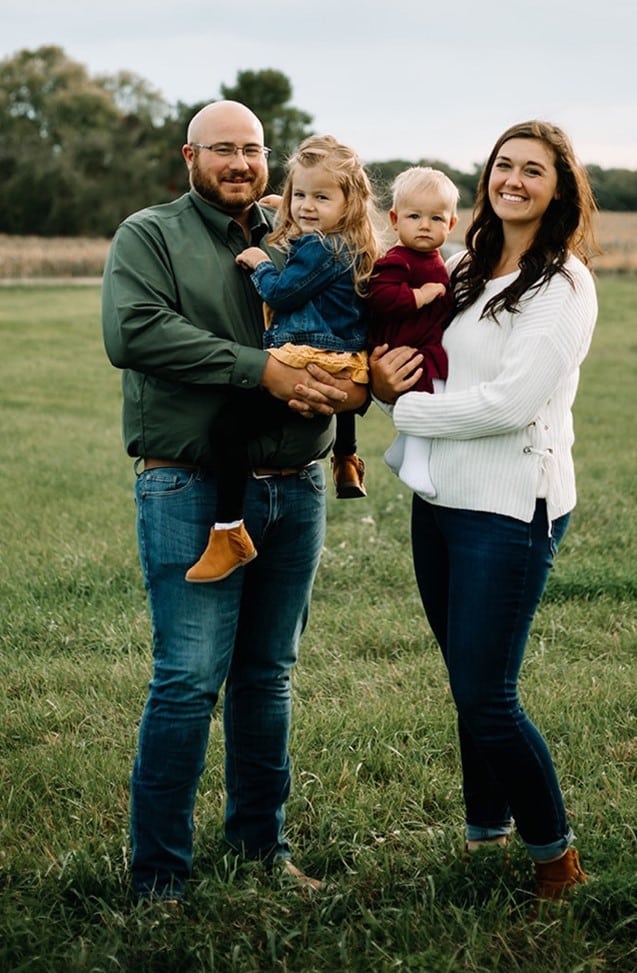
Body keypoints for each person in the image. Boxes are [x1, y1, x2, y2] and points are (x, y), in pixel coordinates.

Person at [101, 100, 366, 904]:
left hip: (297, 483)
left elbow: (350, 301)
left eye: (253, 150)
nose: (241, 164)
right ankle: (159, 876)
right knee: (186, 679)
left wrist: (342, 384)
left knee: (269, 676)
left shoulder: (297, 231)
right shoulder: (150, 235)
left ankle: (261, 848)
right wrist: (264, 372)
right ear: (190, 156)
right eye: (223, 150)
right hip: (189, 483)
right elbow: (134, 332)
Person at [369, 120, 599, 905]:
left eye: (533, 170)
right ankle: (483, 831)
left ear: (559, 190)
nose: (514, 179)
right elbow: (408, 339)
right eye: (503, 164)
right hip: (440, 500)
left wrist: (402, 411)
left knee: (486, 692)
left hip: (509, 506)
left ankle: (555, 856)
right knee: (466, 681)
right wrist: (377, 371)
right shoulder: (466, 266)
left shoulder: (561, 283)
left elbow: (511, 402)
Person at [186, 134, 382, 583]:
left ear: (348, 204)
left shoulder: (319, 248)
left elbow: (282, 290)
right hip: (345, 357)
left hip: (308, 355)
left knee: (227, 427)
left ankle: (228, 532)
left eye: (321, 197)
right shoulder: (350, 243)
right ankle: (347, 458)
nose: (306, 206)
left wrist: (259, 262)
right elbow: (307, 229)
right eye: (300, 195)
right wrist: (288, 208)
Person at [367, 166, 458, 496]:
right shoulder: (398, 259)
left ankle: (403, 449)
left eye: (436, 218)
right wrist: (418, 296)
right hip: (400, 342)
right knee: (427, 396)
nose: (424, 225)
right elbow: (378, 296)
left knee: (439, 392)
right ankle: (416, 462)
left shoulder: (437, 259)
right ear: (394, 220)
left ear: (451, 224)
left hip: (424, 342)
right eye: (414, 216)